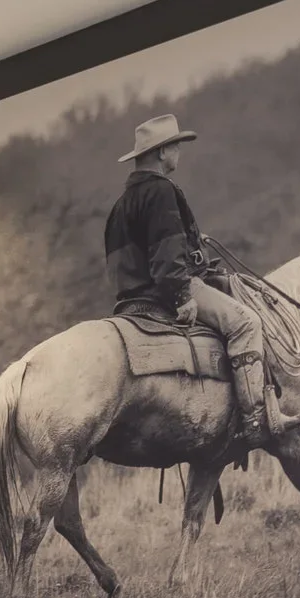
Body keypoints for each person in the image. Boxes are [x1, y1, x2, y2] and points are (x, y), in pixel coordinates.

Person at [104, 114, 286, 447]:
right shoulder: (161, 191)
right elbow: (166, 255)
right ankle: (254, 421)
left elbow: (141, 252)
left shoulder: (122, 203)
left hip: (128, 301)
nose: (178, 153)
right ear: (161, 152)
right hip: (164, 291)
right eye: (175, 146)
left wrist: (190, 241)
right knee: (247, 323)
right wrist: (181, 296)